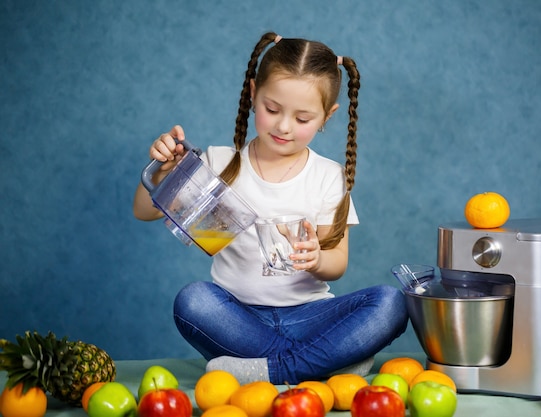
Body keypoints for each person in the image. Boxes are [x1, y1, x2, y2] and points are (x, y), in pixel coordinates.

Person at [133, 31, 408, 385]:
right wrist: (164, 170)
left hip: (310, 314)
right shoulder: (220, 163)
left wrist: (317, 259)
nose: (283, 126)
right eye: (272, 109)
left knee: (391, 303)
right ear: (252, 94)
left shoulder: (328, 176)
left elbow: (337, 262)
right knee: (193, 301)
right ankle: (324, 363)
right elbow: (146, 211)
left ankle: (276, 369)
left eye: (303, 119)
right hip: (238, 319)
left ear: (327, 115)